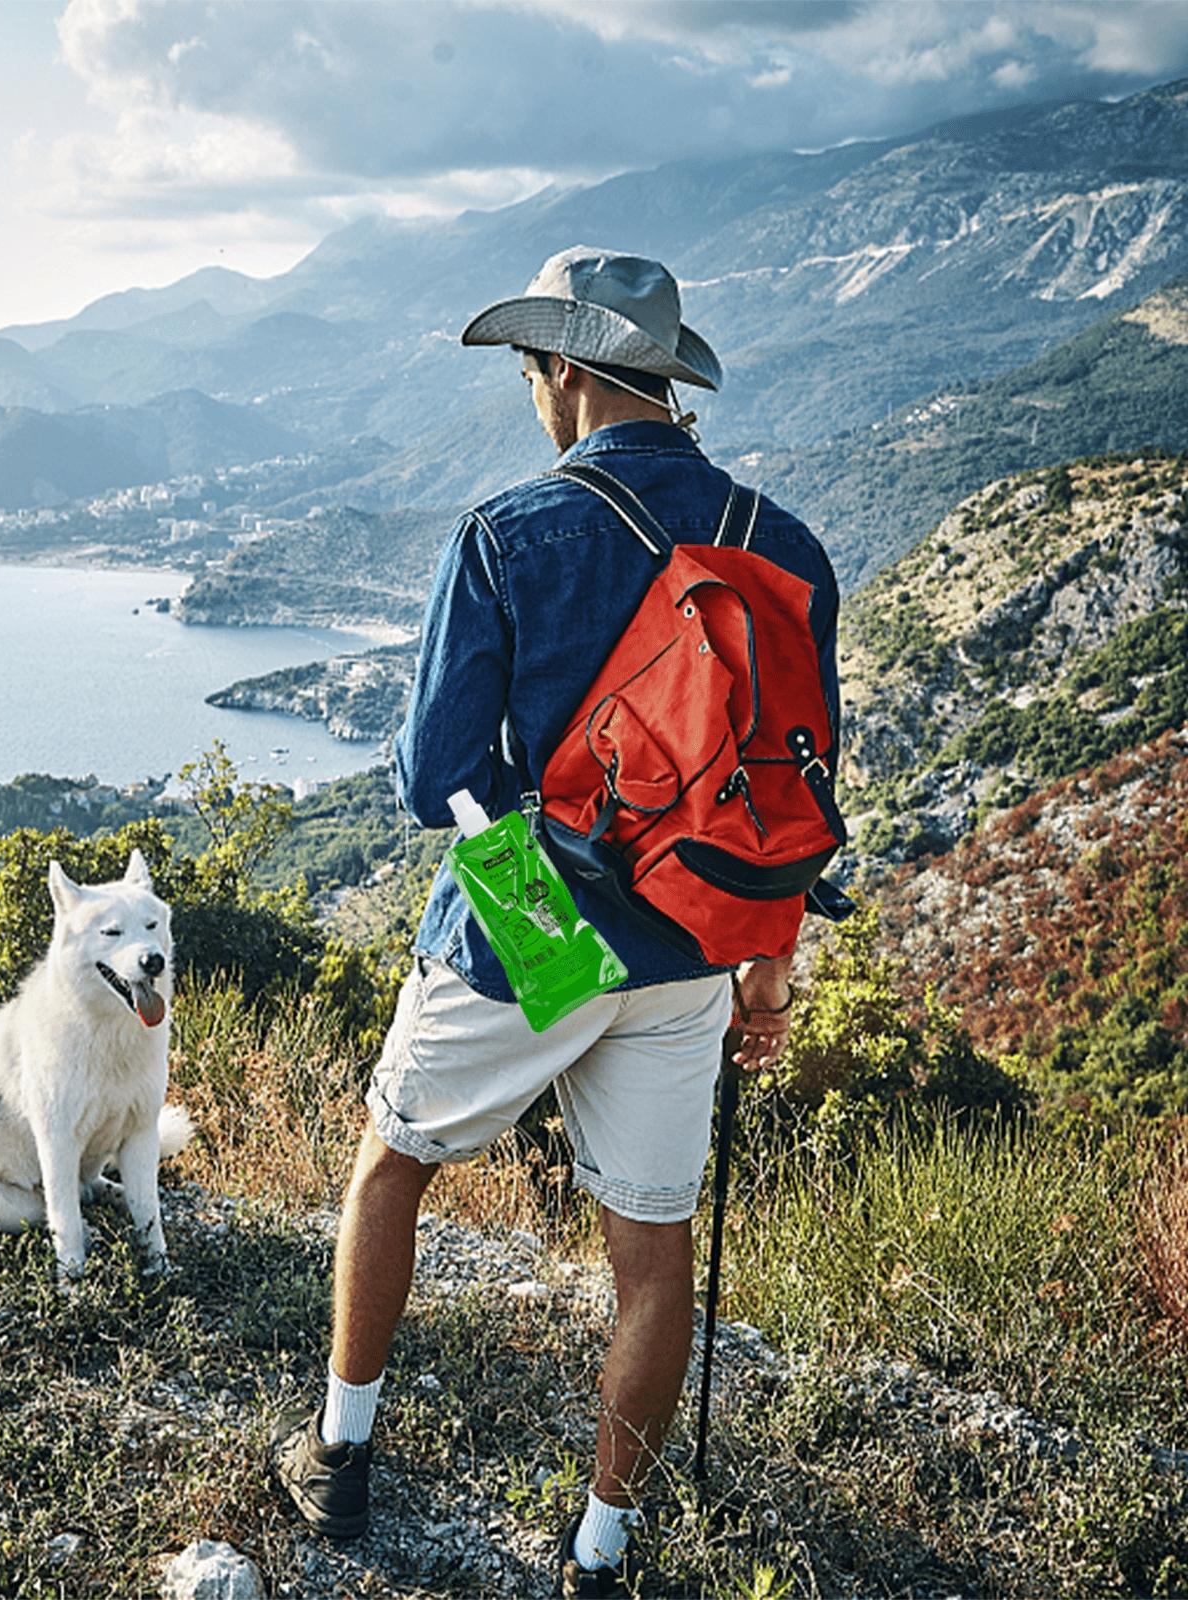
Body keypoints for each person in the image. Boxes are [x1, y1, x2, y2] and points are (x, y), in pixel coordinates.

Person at [270, 246, 841, 1598]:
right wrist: (767, 974)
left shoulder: (507, 532)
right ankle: (601, 1548)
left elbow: (433, 779)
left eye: (534, 371)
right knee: (652, 1250)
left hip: (538, 922)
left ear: (568, 375)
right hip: (700, 941)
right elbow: (800, 785)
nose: (535, 394)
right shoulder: (785, 547)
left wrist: (544, 925)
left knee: (395, 1157)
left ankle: (340, 1458)